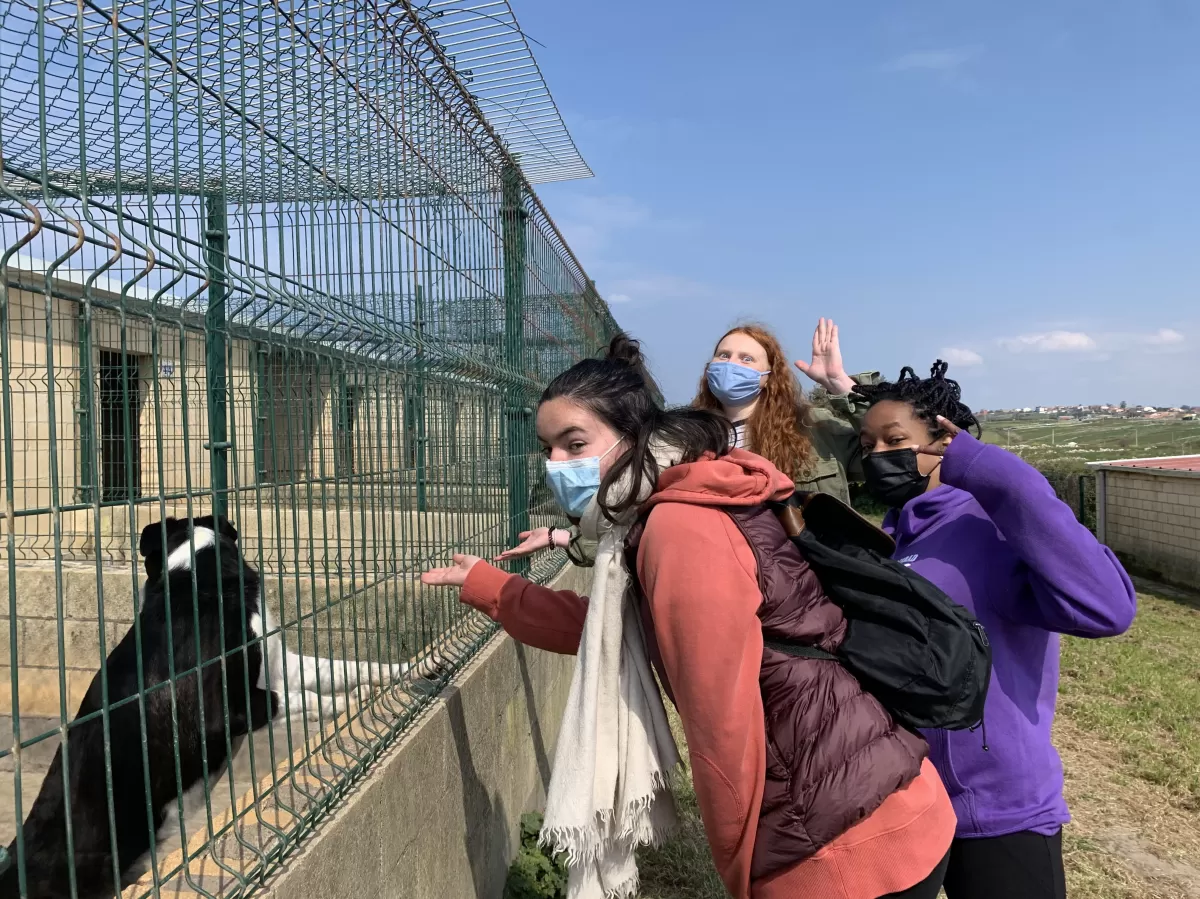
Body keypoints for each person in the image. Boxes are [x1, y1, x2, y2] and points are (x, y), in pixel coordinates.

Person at [423, 335, 955, 899]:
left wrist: (743, 869)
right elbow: (621, 628)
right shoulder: (665, 503)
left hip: (838, 839)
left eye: (574, 443)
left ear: (631, 436)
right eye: (547, 448)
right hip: (870, 796)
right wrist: (492, 588)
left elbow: (723, 722)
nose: (556, 464)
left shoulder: (679, 528)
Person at [854, 362, 1138, 899]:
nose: (877, 457)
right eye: (867, 445)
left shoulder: (989, 527)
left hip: (1001, 806)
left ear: (944, 440)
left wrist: (993, 472)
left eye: (895, 441)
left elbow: (1109, 609)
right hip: (912, 800)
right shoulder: (897, 541)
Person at [495, 318, 877, 562]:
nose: (730, 364)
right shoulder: (683, 442)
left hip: (814, 581)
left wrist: (842, 386)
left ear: (768, 376)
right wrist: (565, 538)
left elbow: (891, 456)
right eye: (723, 355)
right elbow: (639, 526)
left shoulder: (816, 427)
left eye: (747, 359)